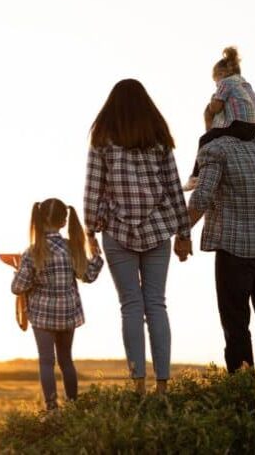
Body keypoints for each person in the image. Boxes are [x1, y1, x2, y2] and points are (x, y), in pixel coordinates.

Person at [83, 79, 192, 395]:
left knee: (131, 305)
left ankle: (138, 386)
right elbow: (173, 187)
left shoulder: (102, 139)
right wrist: (183, 233)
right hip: (158, 230)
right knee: (156, 304)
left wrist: (90, 230)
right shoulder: (158, 138)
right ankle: (163, 386)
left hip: (118, 232)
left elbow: (93, 188)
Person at [187, 135, 255, 375]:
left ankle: (243, 386)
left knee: (236, 322)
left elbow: (201, 197)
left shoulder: (215, 150)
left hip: (233, 247)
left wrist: (182, 233)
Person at [11, 198, 104, 410]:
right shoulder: (73, 249)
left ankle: (52, 408)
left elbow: (18, 287)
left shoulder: (32, 252)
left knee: (46, 361)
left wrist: (18, 271)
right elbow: (88, 275)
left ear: (40, 220)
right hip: (68, 314)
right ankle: (73, 406)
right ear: (64, 221)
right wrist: (96, 255)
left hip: (42, 315)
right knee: (66, 361)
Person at [183, 46, 255, 191]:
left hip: (241, 125)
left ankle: (195, 177)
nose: (216, 85)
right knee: (215, 133)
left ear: (221, 74)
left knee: (204, 139)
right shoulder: (245, 84)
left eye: (215, 81)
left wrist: (212, 103)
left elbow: (216, 108)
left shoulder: (225, 82)